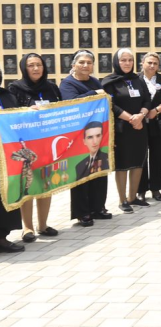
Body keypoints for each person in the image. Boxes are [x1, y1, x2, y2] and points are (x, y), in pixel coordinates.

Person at [8, 53, 62, 243]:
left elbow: (62, 109)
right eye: (31, 65)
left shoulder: (52, 88)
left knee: (46, 183)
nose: (36, 68)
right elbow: (10, 114)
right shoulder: (15, 88)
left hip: (48, 143)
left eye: (39, 64)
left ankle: (43, 224)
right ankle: (27, 228)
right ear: (24, 68)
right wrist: (26, 111)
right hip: (27, 145)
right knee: (29, 185)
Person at [61, 50, 111, 226]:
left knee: (99, 169)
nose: (85, 66)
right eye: (81, 62)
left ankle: (98, 208)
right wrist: (93, 95)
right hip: (78, 136)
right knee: (81, 173)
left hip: (97, 132)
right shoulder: (67, 84)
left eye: (89, 63)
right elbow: (71, 103)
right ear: (73, 64)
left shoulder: (95, 81)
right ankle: (82, 212)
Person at [102, 49, 151, 213]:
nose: (127, 63)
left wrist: (141, 115)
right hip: (122, 129)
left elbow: (147, 99)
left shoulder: (138, 80)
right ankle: (122, 200)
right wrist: (131, 118)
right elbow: (110, 103)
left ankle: (132, 197)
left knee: (138, 161)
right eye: (123, 60)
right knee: (122, 164)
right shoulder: (110, 81)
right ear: (116, 61)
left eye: (130, 60)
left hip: (139, 127)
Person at [137, 52, 161, 203]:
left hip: (157, 122)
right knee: (141, 157)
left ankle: (155, 188)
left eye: (155, 63)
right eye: (149, 63)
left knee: (157, 156)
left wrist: (156, 110)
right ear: (143, 63)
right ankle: (140, 190)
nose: (152, 66)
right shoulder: (136, 79)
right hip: (140, 123)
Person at [0, 68, 24, 253]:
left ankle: (2, 237)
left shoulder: (7, 95)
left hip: (7, 156)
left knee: (5, 196)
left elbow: (17, 117)